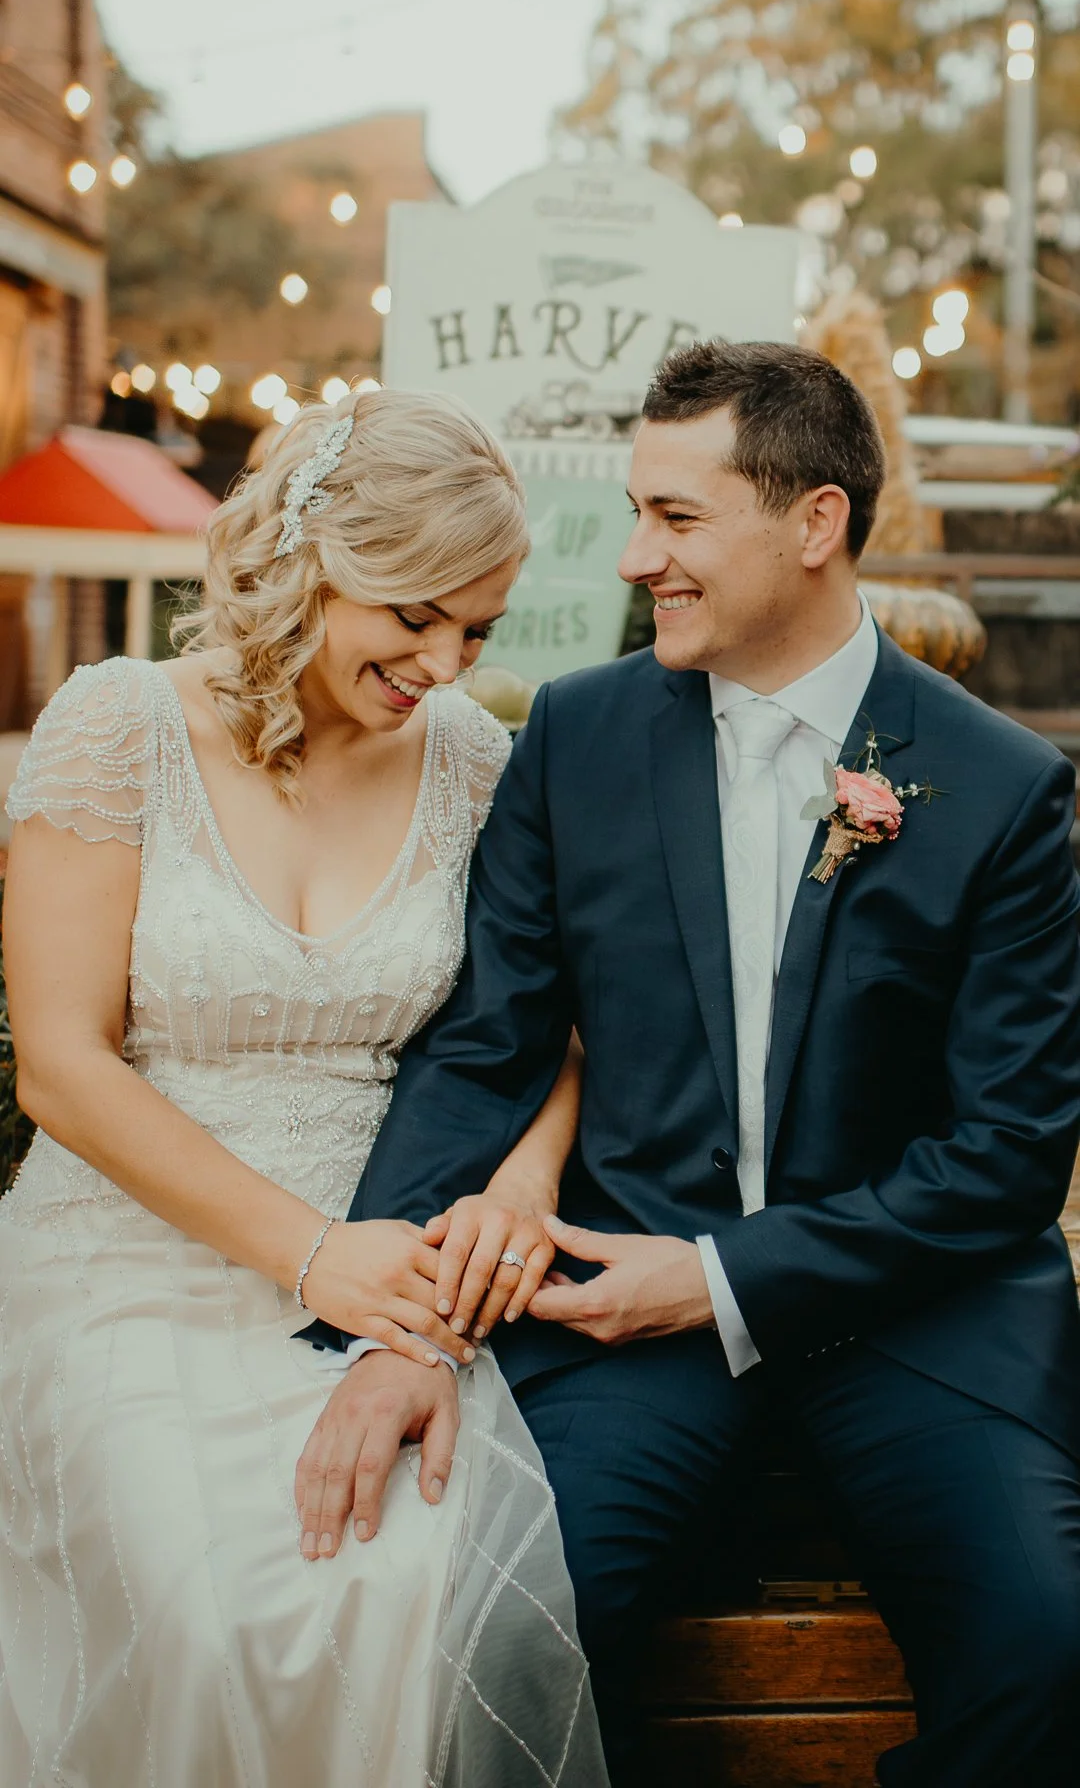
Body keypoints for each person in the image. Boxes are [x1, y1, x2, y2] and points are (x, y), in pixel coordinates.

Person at [298, 341, 1080, 1788]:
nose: (637, 555)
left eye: (676, 516)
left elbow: (1008, 1157)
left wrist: (722, 1280)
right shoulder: (573, 742)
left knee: (1049, 1651)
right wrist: (390, 1323)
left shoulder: (1006, 790)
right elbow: (491, 1045)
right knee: (504, 1632)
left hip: (919, 1314)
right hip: (615, 1306)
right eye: (638, 514)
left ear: (814, 522)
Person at [0, 388, 608, 1788]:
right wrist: (308, 1254)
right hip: (126, 1264)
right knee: (221, 1618)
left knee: (407, 1597)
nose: (447, 664)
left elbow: (550, 1032)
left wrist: (515, 1188)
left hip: (391, 1269)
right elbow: (62, 1065)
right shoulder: (118, 727)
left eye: (480, 629)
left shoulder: (473, 764)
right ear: (320, 562)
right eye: (415, 619)